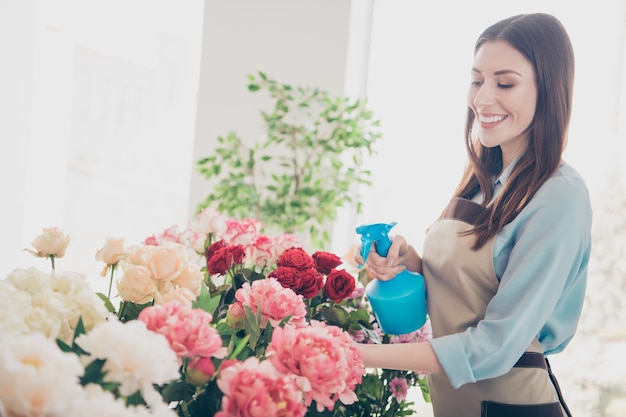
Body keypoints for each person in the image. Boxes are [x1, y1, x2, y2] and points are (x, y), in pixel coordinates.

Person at [354, 13, 592, 417]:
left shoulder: (559, 198)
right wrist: (407, 260)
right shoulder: (483, 178)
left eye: (505, 83)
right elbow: (466, 297)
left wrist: (356, 356)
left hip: (512, 407)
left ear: (548, 90)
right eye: (477, 80)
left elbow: (494, 346)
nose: (482, 99)